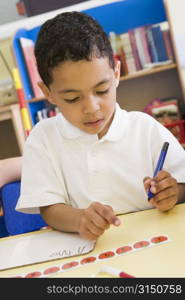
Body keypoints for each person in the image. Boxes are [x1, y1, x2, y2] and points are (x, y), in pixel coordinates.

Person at [15, 11, 185, 241]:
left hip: (154, 244)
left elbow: (181, 185)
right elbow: (48, 208)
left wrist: (172, 193)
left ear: (116, 73)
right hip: (89, 253)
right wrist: (79, 219)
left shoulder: (145, 128)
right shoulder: (43, 138)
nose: (92, 108)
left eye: (101, 90)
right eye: (73, 98)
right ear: (48, 93)